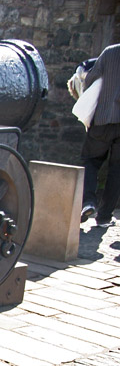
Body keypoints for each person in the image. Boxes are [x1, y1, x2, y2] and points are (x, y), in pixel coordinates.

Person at [79, 44, 120, 228]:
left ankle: (88, 201)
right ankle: (104, 217)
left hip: (103, 118)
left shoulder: (110, 52)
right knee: (117, 171)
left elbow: (91, 80)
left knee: (91, 161)